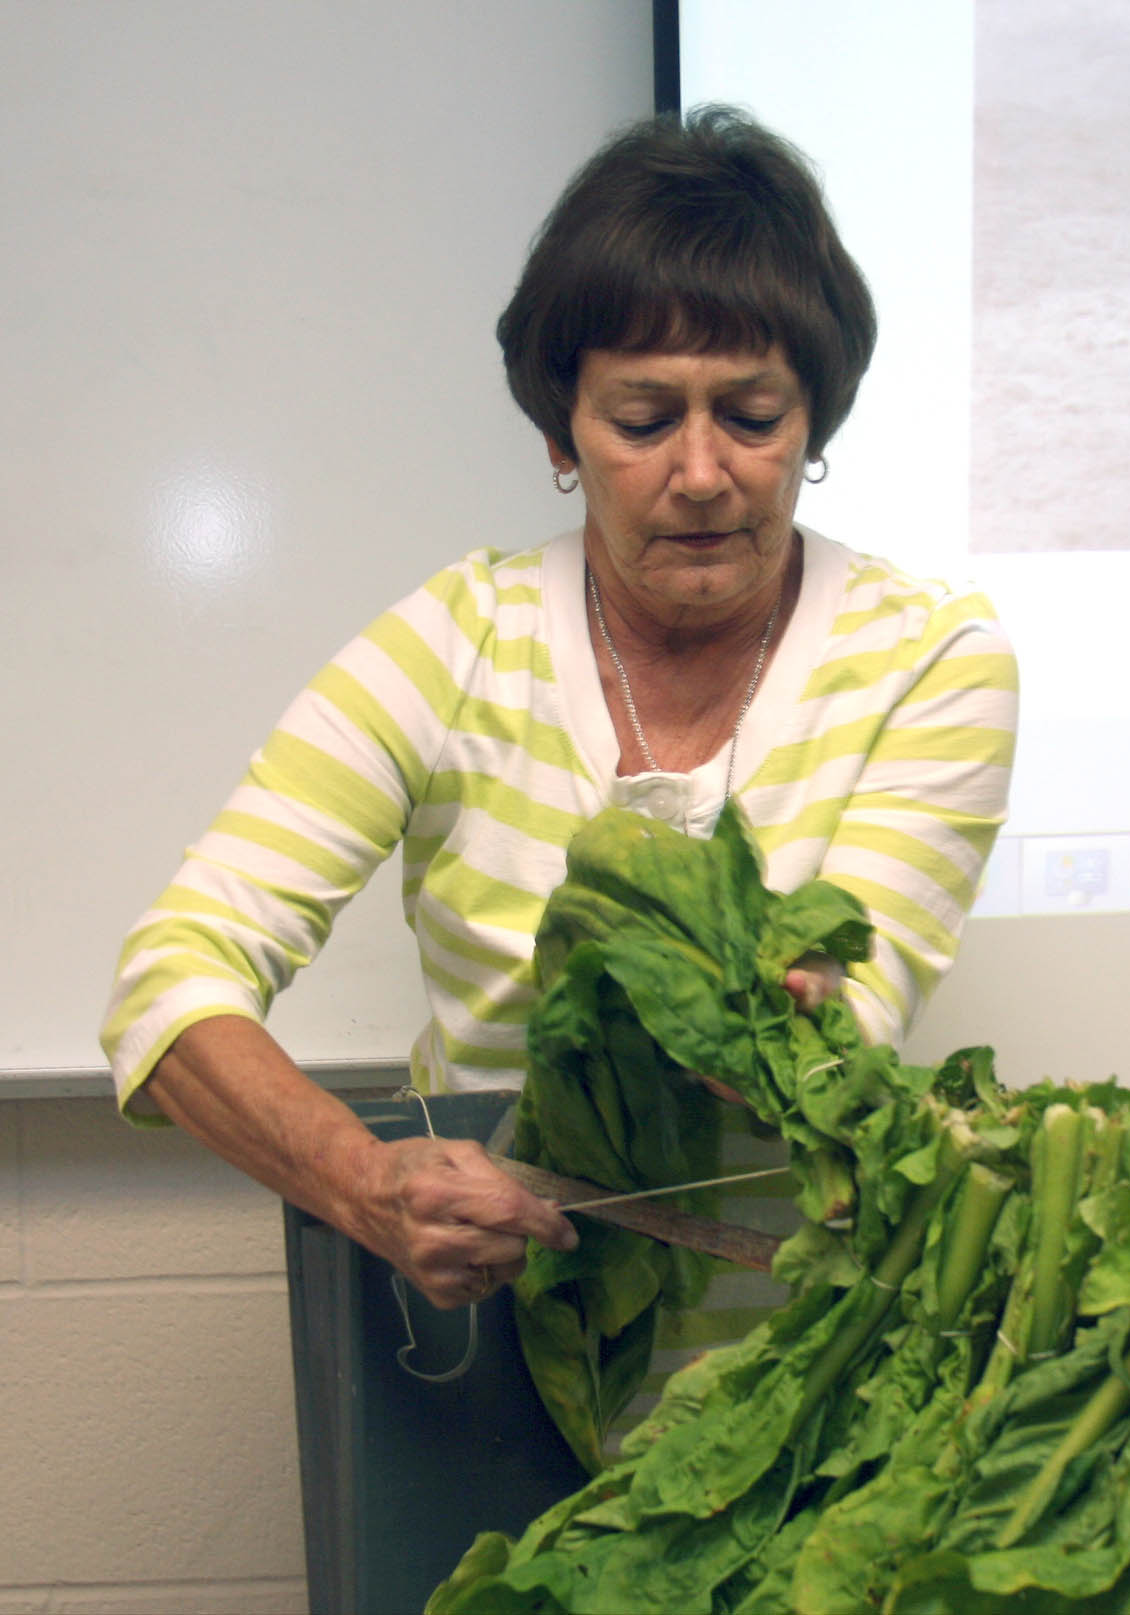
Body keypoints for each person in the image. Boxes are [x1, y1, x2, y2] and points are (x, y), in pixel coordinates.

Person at [98, 107, 1018, 1313]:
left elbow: (847, 1022)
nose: (700, 472)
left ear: (818, 422)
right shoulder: (455, 641)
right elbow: (169, 979)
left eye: (753, 416)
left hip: (801, 1360)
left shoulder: (932, 658)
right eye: (642, 420)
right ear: (559, 434)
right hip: (483, 1320)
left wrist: (792, 1026)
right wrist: (363, 1181)